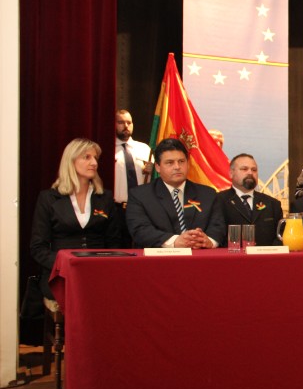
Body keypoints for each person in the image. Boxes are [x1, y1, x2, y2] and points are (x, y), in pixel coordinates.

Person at [30, 138, 122, 299]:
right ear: (70, 161)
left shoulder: (105, 197)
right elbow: (38, 248)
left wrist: (105, 266)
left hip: (99, 274)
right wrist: (64, 264)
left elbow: (114, 243)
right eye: (87, 157)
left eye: (95, 158)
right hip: (61, 275)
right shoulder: (49, 198)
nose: (94, 163)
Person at [126, 138, 225, 248]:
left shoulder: (208, 194)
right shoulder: (140, 195)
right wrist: (174, 241)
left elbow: (218, 226)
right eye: (170, 163)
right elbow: (140, 230)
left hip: (201, 254)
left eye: (181, 161)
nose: (177, 167)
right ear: (158, 167)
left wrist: (208, 241)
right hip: (159, 256)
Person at [218, 153, 283, 246]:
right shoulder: (218, 201)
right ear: (231, 173)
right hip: (232, 254)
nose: (250, 173)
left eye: (254, 170)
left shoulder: (272, 204)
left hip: (265, 255)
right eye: (244, 169)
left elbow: (281, 237)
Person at [114, 109, 153, 247]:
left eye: (129, 122)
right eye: (121, 122)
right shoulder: (107, 149)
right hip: (117, 209)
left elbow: (157, 178)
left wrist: (153, 170)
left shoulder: (145, 149)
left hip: (141, 207)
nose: (126, 126)